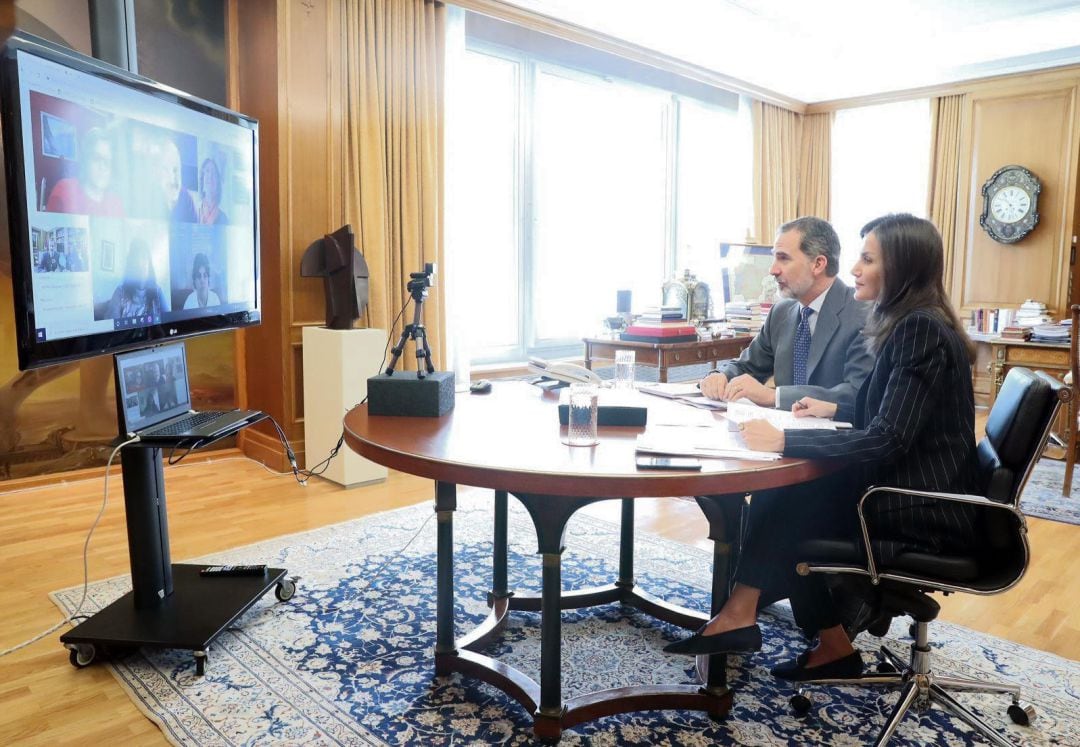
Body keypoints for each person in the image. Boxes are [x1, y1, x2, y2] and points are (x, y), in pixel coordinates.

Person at [664, 214, 980, 683]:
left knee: (794, 498)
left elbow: (887, 436)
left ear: (902, 269)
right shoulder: (911, 323)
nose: (853, 268)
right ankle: (778, 627)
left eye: (867, 259)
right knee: (792, 492)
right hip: (907, 485)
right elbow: (884, 414)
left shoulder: (919, 330)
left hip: (921, 504)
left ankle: (747, 617)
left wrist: (787, 438)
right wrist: (823, 412)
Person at [701, 216, 873, 413]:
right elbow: (747, 366)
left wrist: (774, 396)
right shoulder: (781, 312)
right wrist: (720, 377)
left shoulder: (864, 313)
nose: (772, 270)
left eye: (783, 258)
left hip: (836, 439)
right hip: (778, 432)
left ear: (818, 264)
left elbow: (857, 393)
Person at [45, 127, 125, 217]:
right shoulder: (64, 190)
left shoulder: (115, 203)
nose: (103, 167)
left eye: (107, 161)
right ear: (85, 159)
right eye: (97, 158)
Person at [105, 238, 165, 321]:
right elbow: (112, 327)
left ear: (149, 264)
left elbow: (169, 323)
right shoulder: (120, 292)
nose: (140, 264)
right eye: (136, 259)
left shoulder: (158, 291)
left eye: (144, 257)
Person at [159, 139, 197, 222]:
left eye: (176, 170)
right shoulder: (149, 198)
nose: (173, 179)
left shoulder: (186, 197)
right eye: (166, 170)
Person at [197, 157, 228, 225]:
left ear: (217, 183)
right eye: (207, 171)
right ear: (202, 179)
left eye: (214, 172)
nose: (210, 176)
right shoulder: (194, 211)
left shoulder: (224, 219)